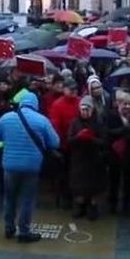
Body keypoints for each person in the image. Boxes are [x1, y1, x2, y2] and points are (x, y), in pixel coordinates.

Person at [0, 91, 59, 243]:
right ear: (35, 105)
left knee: (9, 198)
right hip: (31, 168)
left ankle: (9, 227)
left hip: (10, 166)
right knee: (27, 200)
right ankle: (24, 232)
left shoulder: (7, 117)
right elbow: (55, 142)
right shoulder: (42, 120)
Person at [67, 96, 107, 221]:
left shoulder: (98, 123)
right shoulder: (75, 122)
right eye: (82, 110)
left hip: (94, 159)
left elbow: (104, 141)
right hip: (79, 159)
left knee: (93, 186)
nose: (84, 112)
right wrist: (78, 137)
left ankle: (92, 207)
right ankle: (80, 206)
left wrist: (91, 139)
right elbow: (69, 140)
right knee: (79, 185)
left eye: (87, 109)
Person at [107, 91, 130, 215]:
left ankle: (127, 204)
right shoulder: (111, 115)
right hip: (114, 153)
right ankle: (112, 203)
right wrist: (123, 130)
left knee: (129, 180)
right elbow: (107, 132)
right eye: (124, 104)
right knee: (114, 180)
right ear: (118, 104)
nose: (127, 107)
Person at [49, 78, 81, 209]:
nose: (73, 91)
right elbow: (55, 125)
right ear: (64, 89)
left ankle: (77, 196)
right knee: (64, 173)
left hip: (78, 144)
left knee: (77, 172)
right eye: (70, 89)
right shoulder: (57, 104)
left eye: (75, 89)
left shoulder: (80, 102)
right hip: (64, 145)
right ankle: (66, 197)